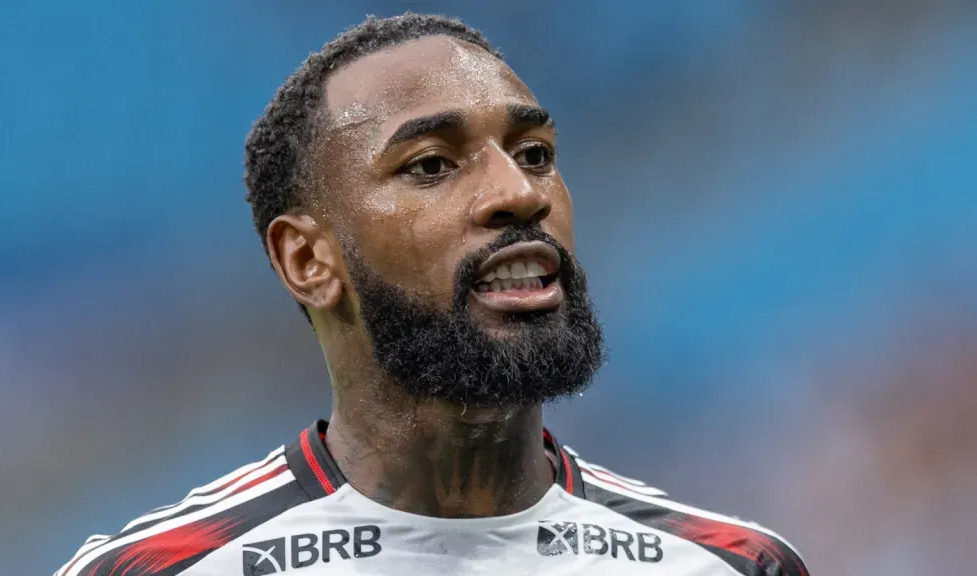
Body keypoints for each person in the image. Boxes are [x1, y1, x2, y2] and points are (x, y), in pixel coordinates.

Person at [55, 13, 809, 576]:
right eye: (431, 166)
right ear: (308, 259)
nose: (520, 194)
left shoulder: (729, 565)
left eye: (535, 154)